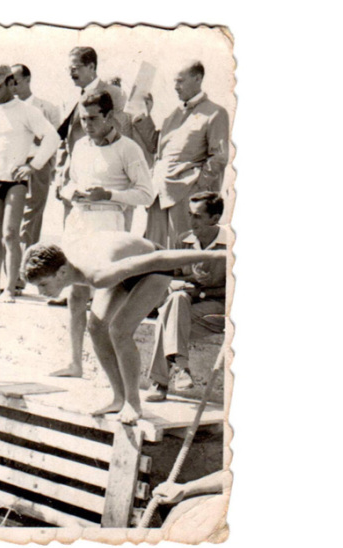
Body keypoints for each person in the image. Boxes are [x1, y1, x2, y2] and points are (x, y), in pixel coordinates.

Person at [21, 232, 226, 423]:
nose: (41, 292)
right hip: (123, 265)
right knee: (96, 327)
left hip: (153, 266)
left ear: (62, 272)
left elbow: (160, 258)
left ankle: (133, 404)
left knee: (119, 331)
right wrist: (75, 364)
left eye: (43, 285)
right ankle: (118, 398)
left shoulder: (98, 274)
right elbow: (76, 307)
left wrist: (215, 255)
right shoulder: (70, 267)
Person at [53, 90, 155, 377]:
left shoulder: (129, 148)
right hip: (78, 223)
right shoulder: (80, 146)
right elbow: (67, 183)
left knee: (105, 301)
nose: (87, 124)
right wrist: (73, 192)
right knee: (75, 294)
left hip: (108, 225)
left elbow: (146, 195)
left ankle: (113, 374)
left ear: (110, 116)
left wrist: (108, 194)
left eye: (93, 118)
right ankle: (75, 363)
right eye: (83, 119)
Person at [0, 65, 60, 303]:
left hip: (16, 181)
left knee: (11, 234)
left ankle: (10, 288)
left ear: (11, 84)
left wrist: (34, 165)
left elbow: (53, 137)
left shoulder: (27, 110)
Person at [134, 61, 230, 248]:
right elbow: (156, 146)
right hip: (158, 195)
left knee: (182, 256)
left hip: (186, 197)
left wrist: (196, 190)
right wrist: (145, 116)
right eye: (174, 82)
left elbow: (219, 158)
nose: (175, 87)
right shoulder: (172, 115)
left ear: (198, 79)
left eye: (180, 81)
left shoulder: (215, 113)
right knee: (156, 254)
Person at [145, 192, 228, 401]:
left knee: (168, 317)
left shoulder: (230, 244)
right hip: (186, 307)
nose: (191, 221)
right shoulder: (183, 240)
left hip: (217, 310)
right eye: (190, 214)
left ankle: (160, 383)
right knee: (175, 301)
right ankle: (182, 369)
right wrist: (184, 282)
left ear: (215, 219)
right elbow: (169, 276)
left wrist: (202, 291)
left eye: (197, 216)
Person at [54, 47, 139, 224]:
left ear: (91, 66)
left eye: (75, 68)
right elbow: (65, 139)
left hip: (109, 182)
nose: (71, 73)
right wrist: (61, 174)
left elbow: (124, 133)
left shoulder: (115, 94)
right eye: (69, 69)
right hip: (76, 183)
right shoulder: (70, 98)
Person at [11, 63, 61, 253]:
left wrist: (50, 166)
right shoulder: (7, 109)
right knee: (12, 217)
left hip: (38, 165)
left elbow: (55, 140)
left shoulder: (46, 108)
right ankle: (13, 270)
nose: (12, 86)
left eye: (15, 81)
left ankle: (25, 266)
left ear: (27, 79)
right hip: (13, 165)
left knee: (32, 215)